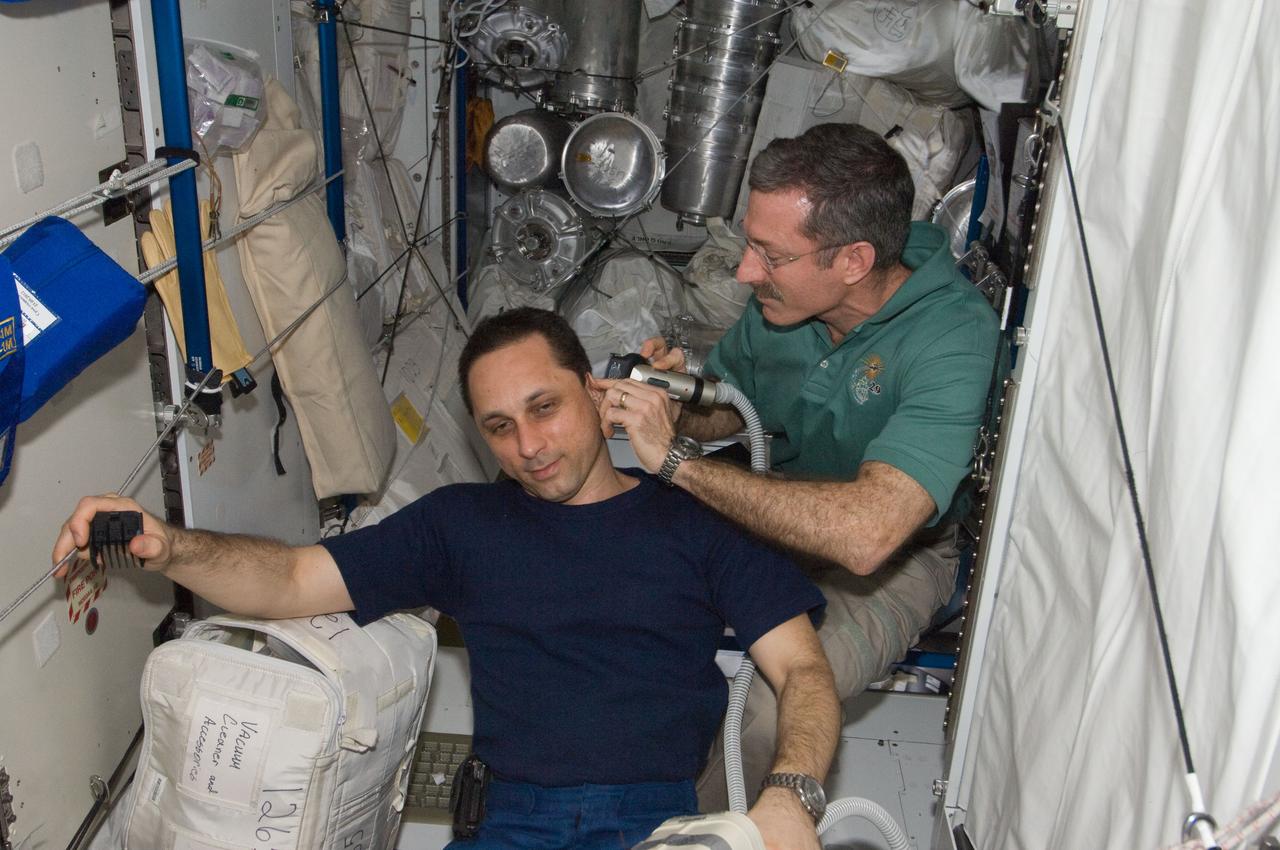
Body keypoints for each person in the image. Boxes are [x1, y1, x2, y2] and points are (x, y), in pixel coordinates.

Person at [52, 308, 840, 850]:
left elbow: (802, 668)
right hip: (509, 819)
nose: (528, 444)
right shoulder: (462, 526)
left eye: (545, 408)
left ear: (600, 399)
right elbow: (291, 579)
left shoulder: (697, 516)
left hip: (655, 815)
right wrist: (170, 545)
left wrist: (792, 794)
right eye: (500, 426)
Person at [595, 123, 1001, 810]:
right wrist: (679, 398)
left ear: (854, 260)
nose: (747, 271)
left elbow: (867, 535)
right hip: (772, 498)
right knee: (598, 589)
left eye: (770, 255)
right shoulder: (783, 304)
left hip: (896, 556)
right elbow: (734, 412)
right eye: (751, 243)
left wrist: (682, 464)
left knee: (771, 713)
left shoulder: (952, 337)